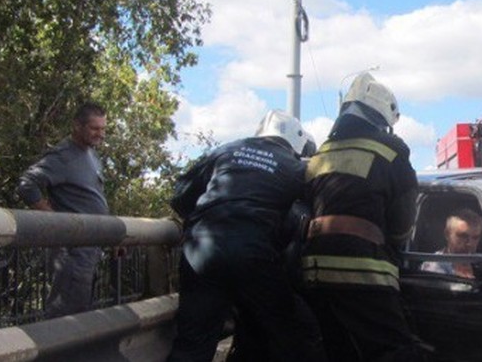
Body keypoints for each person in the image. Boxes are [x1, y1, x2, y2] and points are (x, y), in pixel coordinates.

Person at [167, 110, 325, 362]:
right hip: (253, 255)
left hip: (201, 249)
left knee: (192, 343)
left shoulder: (226, 150)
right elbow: (301, 217)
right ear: (297, 142)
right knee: (295, 330)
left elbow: (181, 197)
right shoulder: (296, 168)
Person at [301, 73, 421, 362]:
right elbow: (403, 222)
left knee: (339, 349)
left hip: (313, 270)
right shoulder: (391, 151)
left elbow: (305, 205)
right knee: (396, 350)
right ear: (383, 115)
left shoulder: (322, 153)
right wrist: (393, 243)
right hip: (364, 268)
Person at [17, 102, 111, 318]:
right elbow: (27, 184)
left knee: (83, 313)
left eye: (103, 129)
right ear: (77, 126)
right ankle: (58, 351)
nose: (101, 134)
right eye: (95, 128)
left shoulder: (92, 156)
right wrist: (51, 217)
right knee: (67, 315)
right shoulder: (63, 156)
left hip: (93, 247)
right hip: (72, 251)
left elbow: (91, 199)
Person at [421, 209, 482, 278]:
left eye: (475, 238)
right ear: (447, 234)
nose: (469, 243)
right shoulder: (433, 267)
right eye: (463, 236)